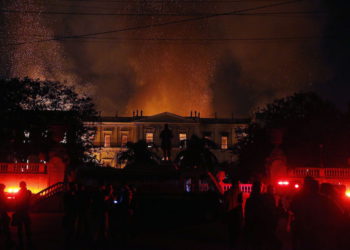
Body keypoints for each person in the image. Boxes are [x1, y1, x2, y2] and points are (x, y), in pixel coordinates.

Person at [224, 181, 243, 250]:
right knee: (236, 231)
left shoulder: (228, 192)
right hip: (236, 212)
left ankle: (231, 245)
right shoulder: (239, 192)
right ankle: (235, 245)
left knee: (231, 231)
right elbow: (240, 202)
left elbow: (225, 203)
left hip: (230, 212)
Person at [13, 181, 32, 249]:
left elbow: (16, 202)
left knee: (20, 227)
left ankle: (21, 242)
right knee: (27, 227)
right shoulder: (28, 192)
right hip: (25, 211)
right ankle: (28, 241)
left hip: (20, 211)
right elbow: (30, 200)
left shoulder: (19, 192)